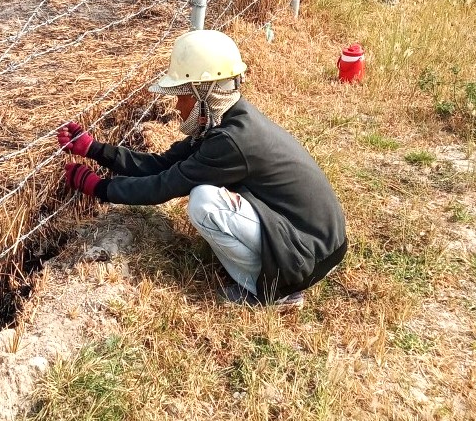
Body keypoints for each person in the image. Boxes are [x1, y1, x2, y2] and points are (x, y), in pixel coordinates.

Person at [57, 29, 348, 308]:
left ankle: (274, 292)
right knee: (208, 196)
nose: (178, 107)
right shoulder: (228, 121)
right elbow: (162, 164)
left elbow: (163, 186)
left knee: (204, 202)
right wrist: (95, 150)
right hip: (317, 246)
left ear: (204, 94)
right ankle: (271, 272)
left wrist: (98, 188)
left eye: (182, 96)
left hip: (309, 257)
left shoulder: (231, 142)